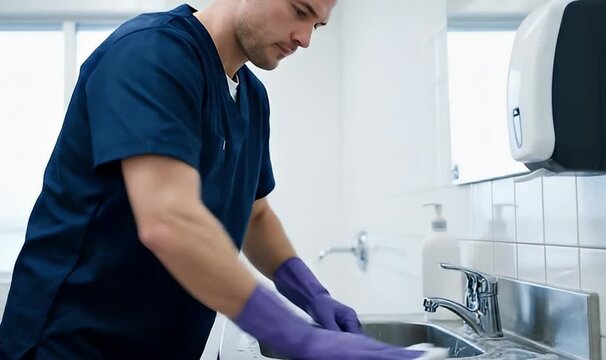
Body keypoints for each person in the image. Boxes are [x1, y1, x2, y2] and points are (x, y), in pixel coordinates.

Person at [0, 1, 445, 359]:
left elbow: (254, 215)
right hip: (71, 342)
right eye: (298, 11)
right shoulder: (151, 54)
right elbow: (168, 222)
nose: (305, 39)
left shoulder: (251, 97)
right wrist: (298, 338)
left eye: (319, 26)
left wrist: (313, 295)